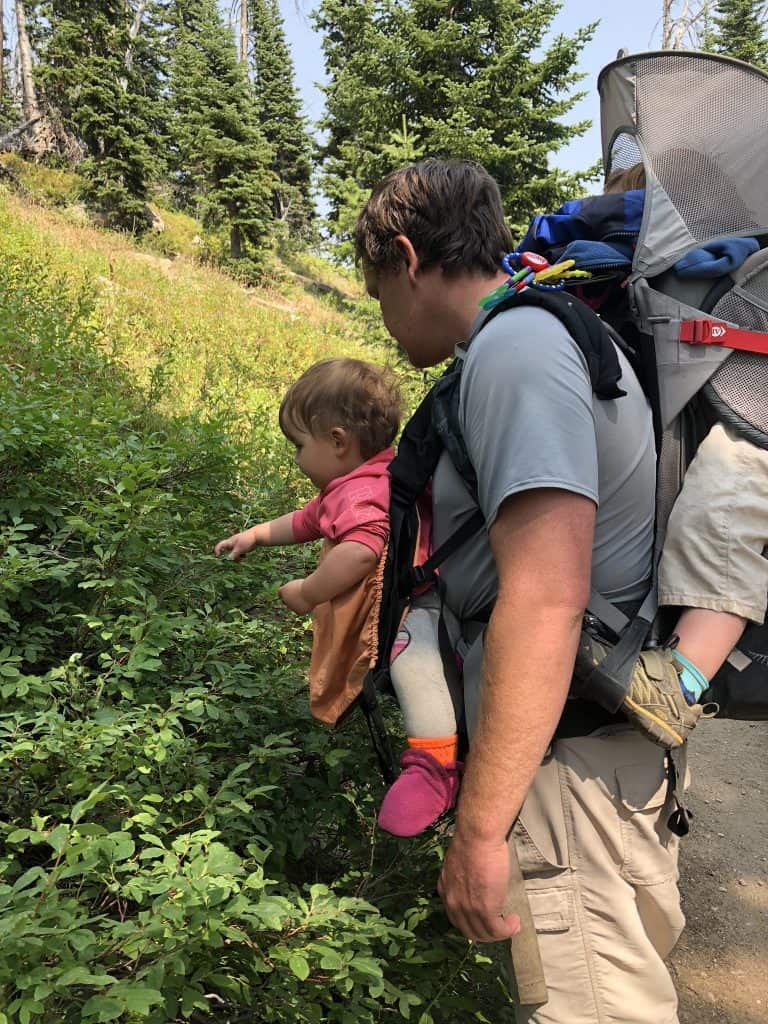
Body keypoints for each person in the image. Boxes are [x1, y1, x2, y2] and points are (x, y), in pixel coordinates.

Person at [354, 158, 685, 1023]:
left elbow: (545, 596)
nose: (380, 314)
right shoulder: (538, 338)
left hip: (564, 781)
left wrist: (480, 831)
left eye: (376, 286)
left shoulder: (516, 352)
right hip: (582, 763)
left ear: (407, 256)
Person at [214, 356, 463, 837]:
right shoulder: (358, 481)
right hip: (430, 588)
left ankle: (434, 769)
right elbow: (309, 520)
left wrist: (308, 591)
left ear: (337, 442)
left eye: (299, 446)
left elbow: (360, 553)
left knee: (414, 659)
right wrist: (257, 535)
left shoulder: (363, 494)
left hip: (418, 602)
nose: (297, 458)